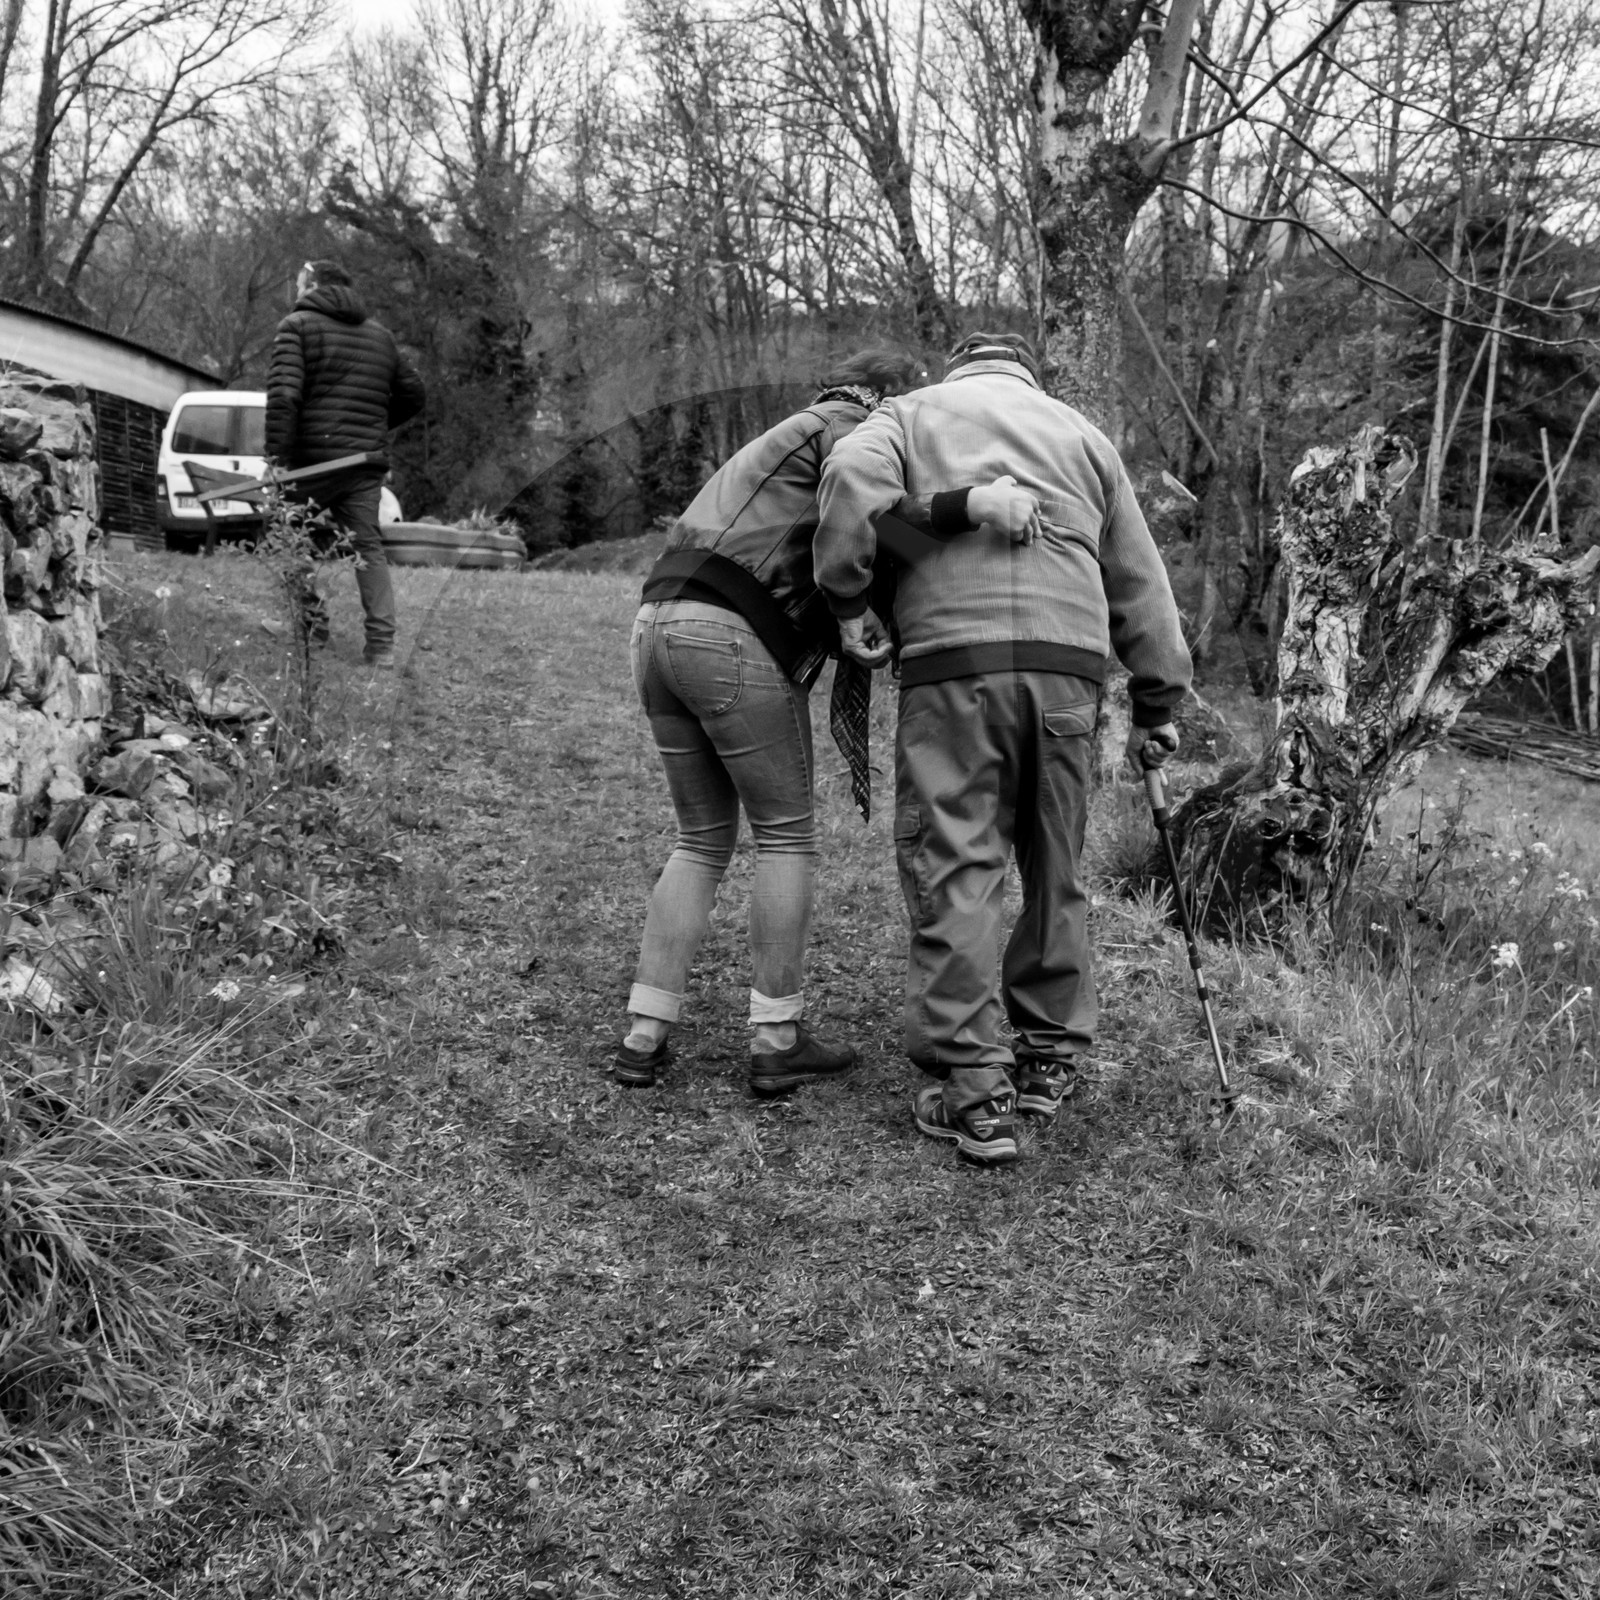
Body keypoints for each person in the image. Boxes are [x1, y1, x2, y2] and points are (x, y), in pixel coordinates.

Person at [615, 349, 1038, 1098]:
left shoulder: (791, 431)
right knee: (786, 835)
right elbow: (864, 521)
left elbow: (853, 536)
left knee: (701, 839)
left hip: (655, 625)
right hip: (731, 634)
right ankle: (775, 1037)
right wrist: (964, 507)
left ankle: (644, 1034)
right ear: (888, 394)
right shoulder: (852, 427)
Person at [815, 330, 1193, 1165]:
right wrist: (1158, 699)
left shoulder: (910, 416)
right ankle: (1048, 1058)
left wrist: (851, 597)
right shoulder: (1083, 436)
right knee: (1055, 867)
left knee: (958, 865)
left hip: (954, 671)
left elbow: (847, 481)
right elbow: (1140, 580)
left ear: (956, 366)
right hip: (1068, 677)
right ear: (1027, 372)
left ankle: (974, 1095)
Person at [266, 260, 426, 670]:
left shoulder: (296, 326)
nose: (296, 292)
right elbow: (414, 395)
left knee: (291, 536)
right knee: (367, 548)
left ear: (314, 285)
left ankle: (312, 631)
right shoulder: (380, 336)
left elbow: (284, 396)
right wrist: (373, 427)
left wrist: (276, 462)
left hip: (310, 463)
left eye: (299, 285)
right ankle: (382, 647)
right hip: (363, 462)